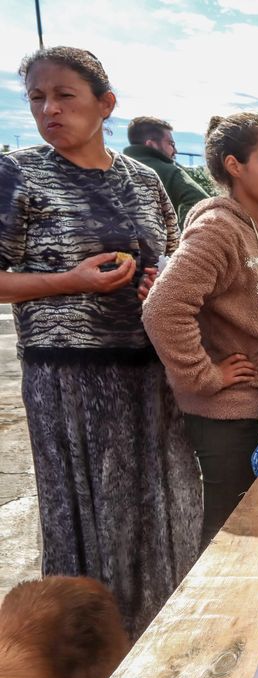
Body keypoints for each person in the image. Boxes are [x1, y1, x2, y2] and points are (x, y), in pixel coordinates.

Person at [0, 47, 201, 637]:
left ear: (105, 104)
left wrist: (157, 279)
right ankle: (91, 646)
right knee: (91, 514)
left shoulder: (142, 178)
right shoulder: (18, 173)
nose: (49, 110)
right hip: (69, 377)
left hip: (148, 370)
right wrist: (72, 280)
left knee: (163, 502)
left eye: (65, 95)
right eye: (37, 98)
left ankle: (160, 631)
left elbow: (170, 254)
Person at [143, 113, 258, 550]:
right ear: (234, 165)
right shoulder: (217, 229)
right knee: (229, 538)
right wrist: (206, 376)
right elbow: (164, 309)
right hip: (226, 415)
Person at [123, 116, 210, 230]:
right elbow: (205, 203)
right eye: (171, 144)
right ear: (151, 144)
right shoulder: (170, 172)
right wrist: (179, 233)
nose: (175, 151)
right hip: (159, 246)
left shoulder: (112, 167)